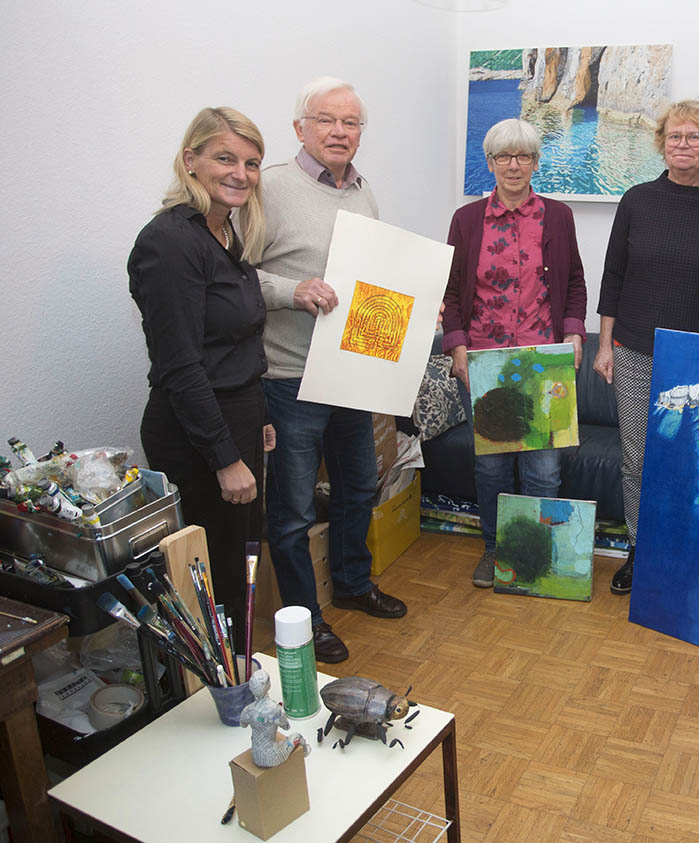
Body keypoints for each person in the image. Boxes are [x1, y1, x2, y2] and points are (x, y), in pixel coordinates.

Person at [257, 77, 406, 664]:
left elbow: (371, 279)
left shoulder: (364, 191)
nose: (340, 131)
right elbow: (236, 277)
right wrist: (292, 291)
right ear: (300, 128)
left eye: (351, 123)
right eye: (326, 120)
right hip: (289, 377)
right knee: (291, 508)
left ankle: (351, 583)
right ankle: (305, 618)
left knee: (357, 487)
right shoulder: (268, 189)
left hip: (353, 370)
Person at [595, 98, 699, 595]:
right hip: (637, 351)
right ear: (662, 144)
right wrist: (604, 345)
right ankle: (640, 551)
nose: (683, 145)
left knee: (692, 459)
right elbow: (613, 277)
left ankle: (683, 550)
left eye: (694, 137)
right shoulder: (637, 200)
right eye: (675, 136)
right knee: (638, 457)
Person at [129, 107, 273, 652]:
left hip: (235, 418)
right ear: (191, 161)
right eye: (225, 158)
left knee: (240, 565)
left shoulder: (223, 234)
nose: (240, 173)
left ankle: (238, 683)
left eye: (252, 162)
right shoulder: (169, 242)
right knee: (212, 580)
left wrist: (257, 421)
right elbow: (181, 366)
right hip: (197, 434)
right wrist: (224, 457)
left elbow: (236, 344)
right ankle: (224, 694)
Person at [442, 118, 587, 588]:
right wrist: (457, 345)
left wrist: (574, 334)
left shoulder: (558, 217)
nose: (513, 165)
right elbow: (450, 291)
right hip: (485, 363)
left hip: (544, 361)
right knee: (492, 468)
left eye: (524, 156)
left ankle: (540, 559)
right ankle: (495, 550)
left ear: (536, 163)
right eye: (503, 156)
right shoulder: (466, 221)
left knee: (544, 470)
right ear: (489, 163)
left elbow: (574, 284)